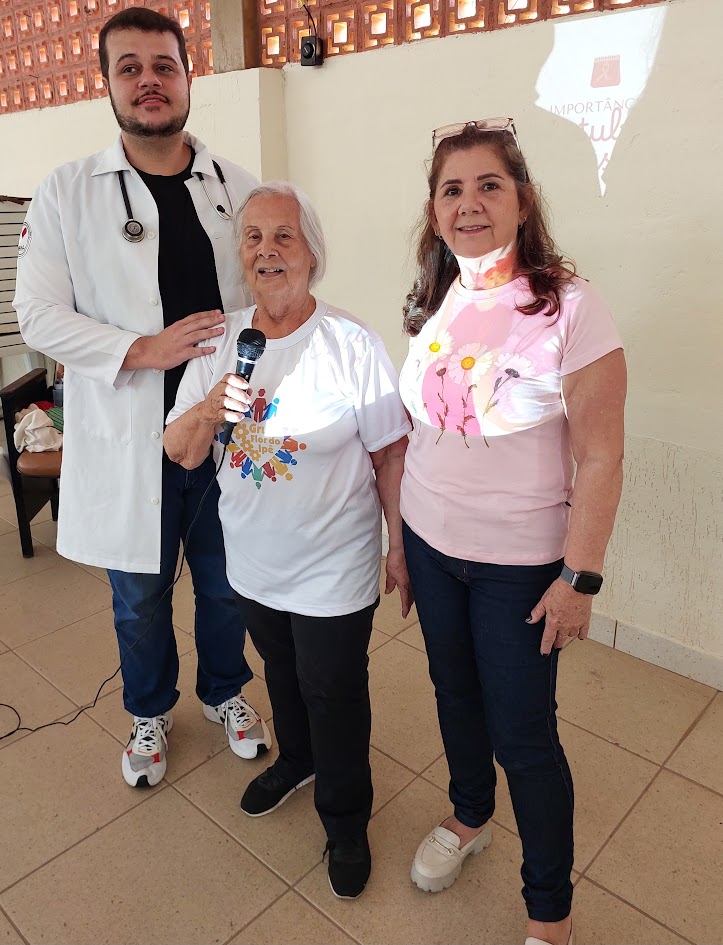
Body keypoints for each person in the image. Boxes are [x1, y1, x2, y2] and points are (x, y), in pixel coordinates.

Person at [13, 8, 269, 789]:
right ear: (108, 83)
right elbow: (37, 314)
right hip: (132, 439)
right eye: (129, 67)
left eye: (163, 65)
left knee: (228, 587)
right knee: (140, 598)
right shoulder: (66, 193)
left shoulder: (238, 188)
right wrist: (141, 348)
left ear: (189, 78)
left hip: (225, 433)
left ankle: (224, 691)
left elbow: (269, 296)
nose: (148, 81)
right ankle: (149, 710)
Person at [398, 120, 626, 945]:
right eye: (451, 189)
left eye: (488, 185)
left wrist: (579, 578)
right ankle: (468, 816)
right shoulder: (435, 296)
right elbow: (418, 429)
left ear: (522, 202)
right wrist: (399, 543)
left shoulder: (568, 305)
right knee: (453, 694)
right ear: (434, 210)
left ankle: (547, 912)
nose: (469, 203)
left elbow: (601, 456)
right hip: (428, 542)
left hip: (518, 567)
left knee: (524, 736)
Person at [165, 181, 412, 899]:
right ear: (240, 255)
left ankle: (346, 817)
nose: (267, 251)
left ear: (311, 253)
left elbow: (390, 454)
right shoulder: (221, 343)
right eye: (254, 237)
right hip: (252, 559)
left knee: (333, 688)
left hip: (334, 561)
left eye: (284, 236)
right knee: (279, 667)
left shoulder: (351, 343)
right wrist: (210, 409)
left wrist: (399, 546)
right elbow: (179, 449)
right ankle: (297, 759)